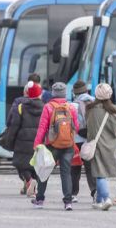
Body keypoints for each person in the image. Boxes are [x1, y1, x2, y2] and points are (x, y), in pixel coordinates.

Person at [32, 82, 79, 211]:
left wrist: (37, 143)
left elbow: (42, 127)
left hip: (52, 145)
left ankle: (40, 199)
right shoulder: (71, 108)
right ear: (64, 93)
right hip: (68, 145)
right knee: (66, 173)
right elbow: (77, 127)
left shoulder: (48, 107)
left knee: (44, 171)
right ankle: (68, 202)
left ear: (53, 93)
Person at [85, 83, 116, 211]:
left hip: (96, 144)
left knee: (100, 174)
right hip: (110, 145)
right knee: (102, 173)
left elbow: (88, 127)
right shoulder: (113, 110)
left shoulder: (89, 109)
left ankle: (106, 198)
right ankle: (99, 200)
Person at [5, 81, 44, 198]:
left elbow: (14, 126)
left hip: (23, 140)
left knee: (21, 163)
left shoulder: (21, 107)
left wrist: (9, 141)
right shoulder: (45, 107)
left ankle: (29, 180)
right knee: (36, 164)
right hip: (39, 140)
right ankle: (33, 184)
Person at [70, 80, 96, 203]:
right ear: (86, 90)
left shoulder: (72, 105)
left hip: (77, 140)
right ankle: (95, 192)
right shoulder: (95, 101)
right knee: (91, 167)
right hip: (91, 139)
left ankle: (73, 194)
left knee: (75, 167)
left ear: (75, 93)